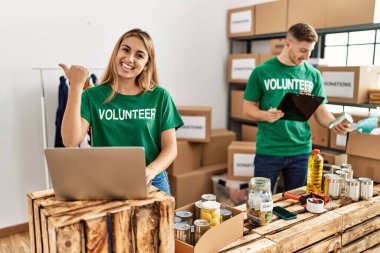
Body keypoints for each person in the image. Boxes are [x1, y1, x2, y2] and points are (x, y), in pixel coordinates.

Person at [59, 28, 183, 194]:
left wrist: (151, 170)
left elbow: (170, 148)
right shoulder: (92, 95)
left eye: (139, 55)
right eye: (125, 49)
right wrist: (75, 86)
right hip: (107, 182)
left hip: (152, 182)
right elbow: (70, 141)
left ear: (147, 64)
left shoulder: (160, 96)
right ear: (116, 53)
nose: (129, 58)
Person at [243, 23, 350, 193]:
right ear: (288, 44)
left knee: (297, 205)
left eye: (310, 51)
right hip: (269, 150)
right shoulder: (262, 72)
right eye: (302, 50)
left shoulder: (313, 75)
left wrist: (333, 123)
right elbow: (248, 108)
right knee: (260, 205)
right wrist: (266, 115)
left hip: (301, 151)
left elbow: (321, 110)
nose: (307, 56)